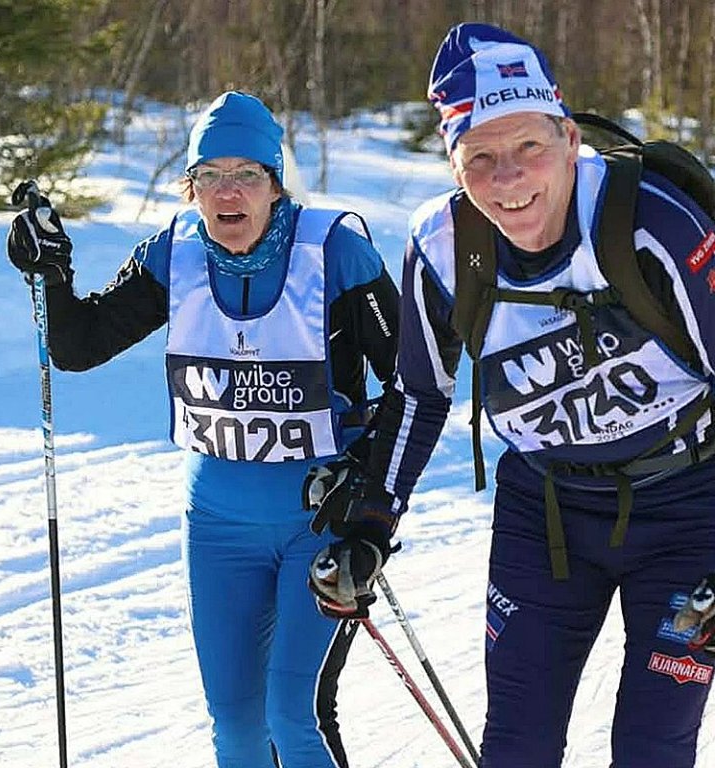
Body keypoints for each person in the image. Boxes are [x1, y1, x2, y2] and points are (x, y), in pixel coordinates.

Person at [305, 23, 715, 768]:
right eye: (480, 157)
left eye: (528, 145)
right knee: (517, 743)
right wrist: (371, 522)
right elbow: (420, 392)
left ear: (567, 136)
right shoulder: (441, 243)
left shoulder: (650, 221)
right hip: (545, 512)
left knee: (653, 745)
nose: (509, 178)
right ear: (452, 162)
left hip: (691, 512)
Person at [6, 90, 399, 768]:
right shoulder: (175, 254)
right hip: (216, 522)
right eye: (209, 176)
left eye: (246, 174)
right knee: (236, 725)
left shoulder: (336, 252)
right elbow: (78, 347)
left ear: (275, 184)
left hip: (318, 518)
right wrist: (51, 273)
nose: (227, 192)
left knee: (293, 715)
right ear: (191, 188)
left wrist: (368, 490)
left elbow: (414, 384)